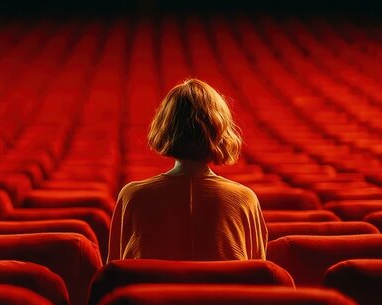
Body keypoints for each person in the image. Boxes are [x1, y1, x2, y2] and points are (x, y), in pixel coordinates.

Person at [108, 79, 267, 262]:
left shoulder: (133, 196)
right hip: (222, 292)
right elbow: (256, 278)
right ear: (220, 132)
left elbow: (115, 274)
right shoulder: (244, 199)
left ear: (165, 129)